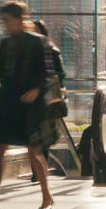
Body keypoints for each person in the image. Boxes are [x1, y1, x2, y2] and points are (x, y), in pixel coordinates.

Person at [0, 1, 53, 209]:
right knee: (0, 150)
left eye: (6, 20)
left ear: (20, 19)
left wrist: (36, 90)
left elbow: (46, 73)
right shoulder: (5, 44)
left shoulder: (38, 42)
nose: (4, 25)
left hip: (29, 105)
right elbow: (3, 71)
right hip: (8, 102)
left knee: (34, 151)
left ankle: (47, 196)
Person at [30, 19, 67, 183]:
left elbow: (60, 75)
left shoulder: (51, 50)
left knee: (42, 134)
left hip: (47, 98)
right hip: (34, 97)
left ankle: (38, 172)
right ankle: (37, 171)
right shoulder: (29, 51)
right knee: (36, 134)